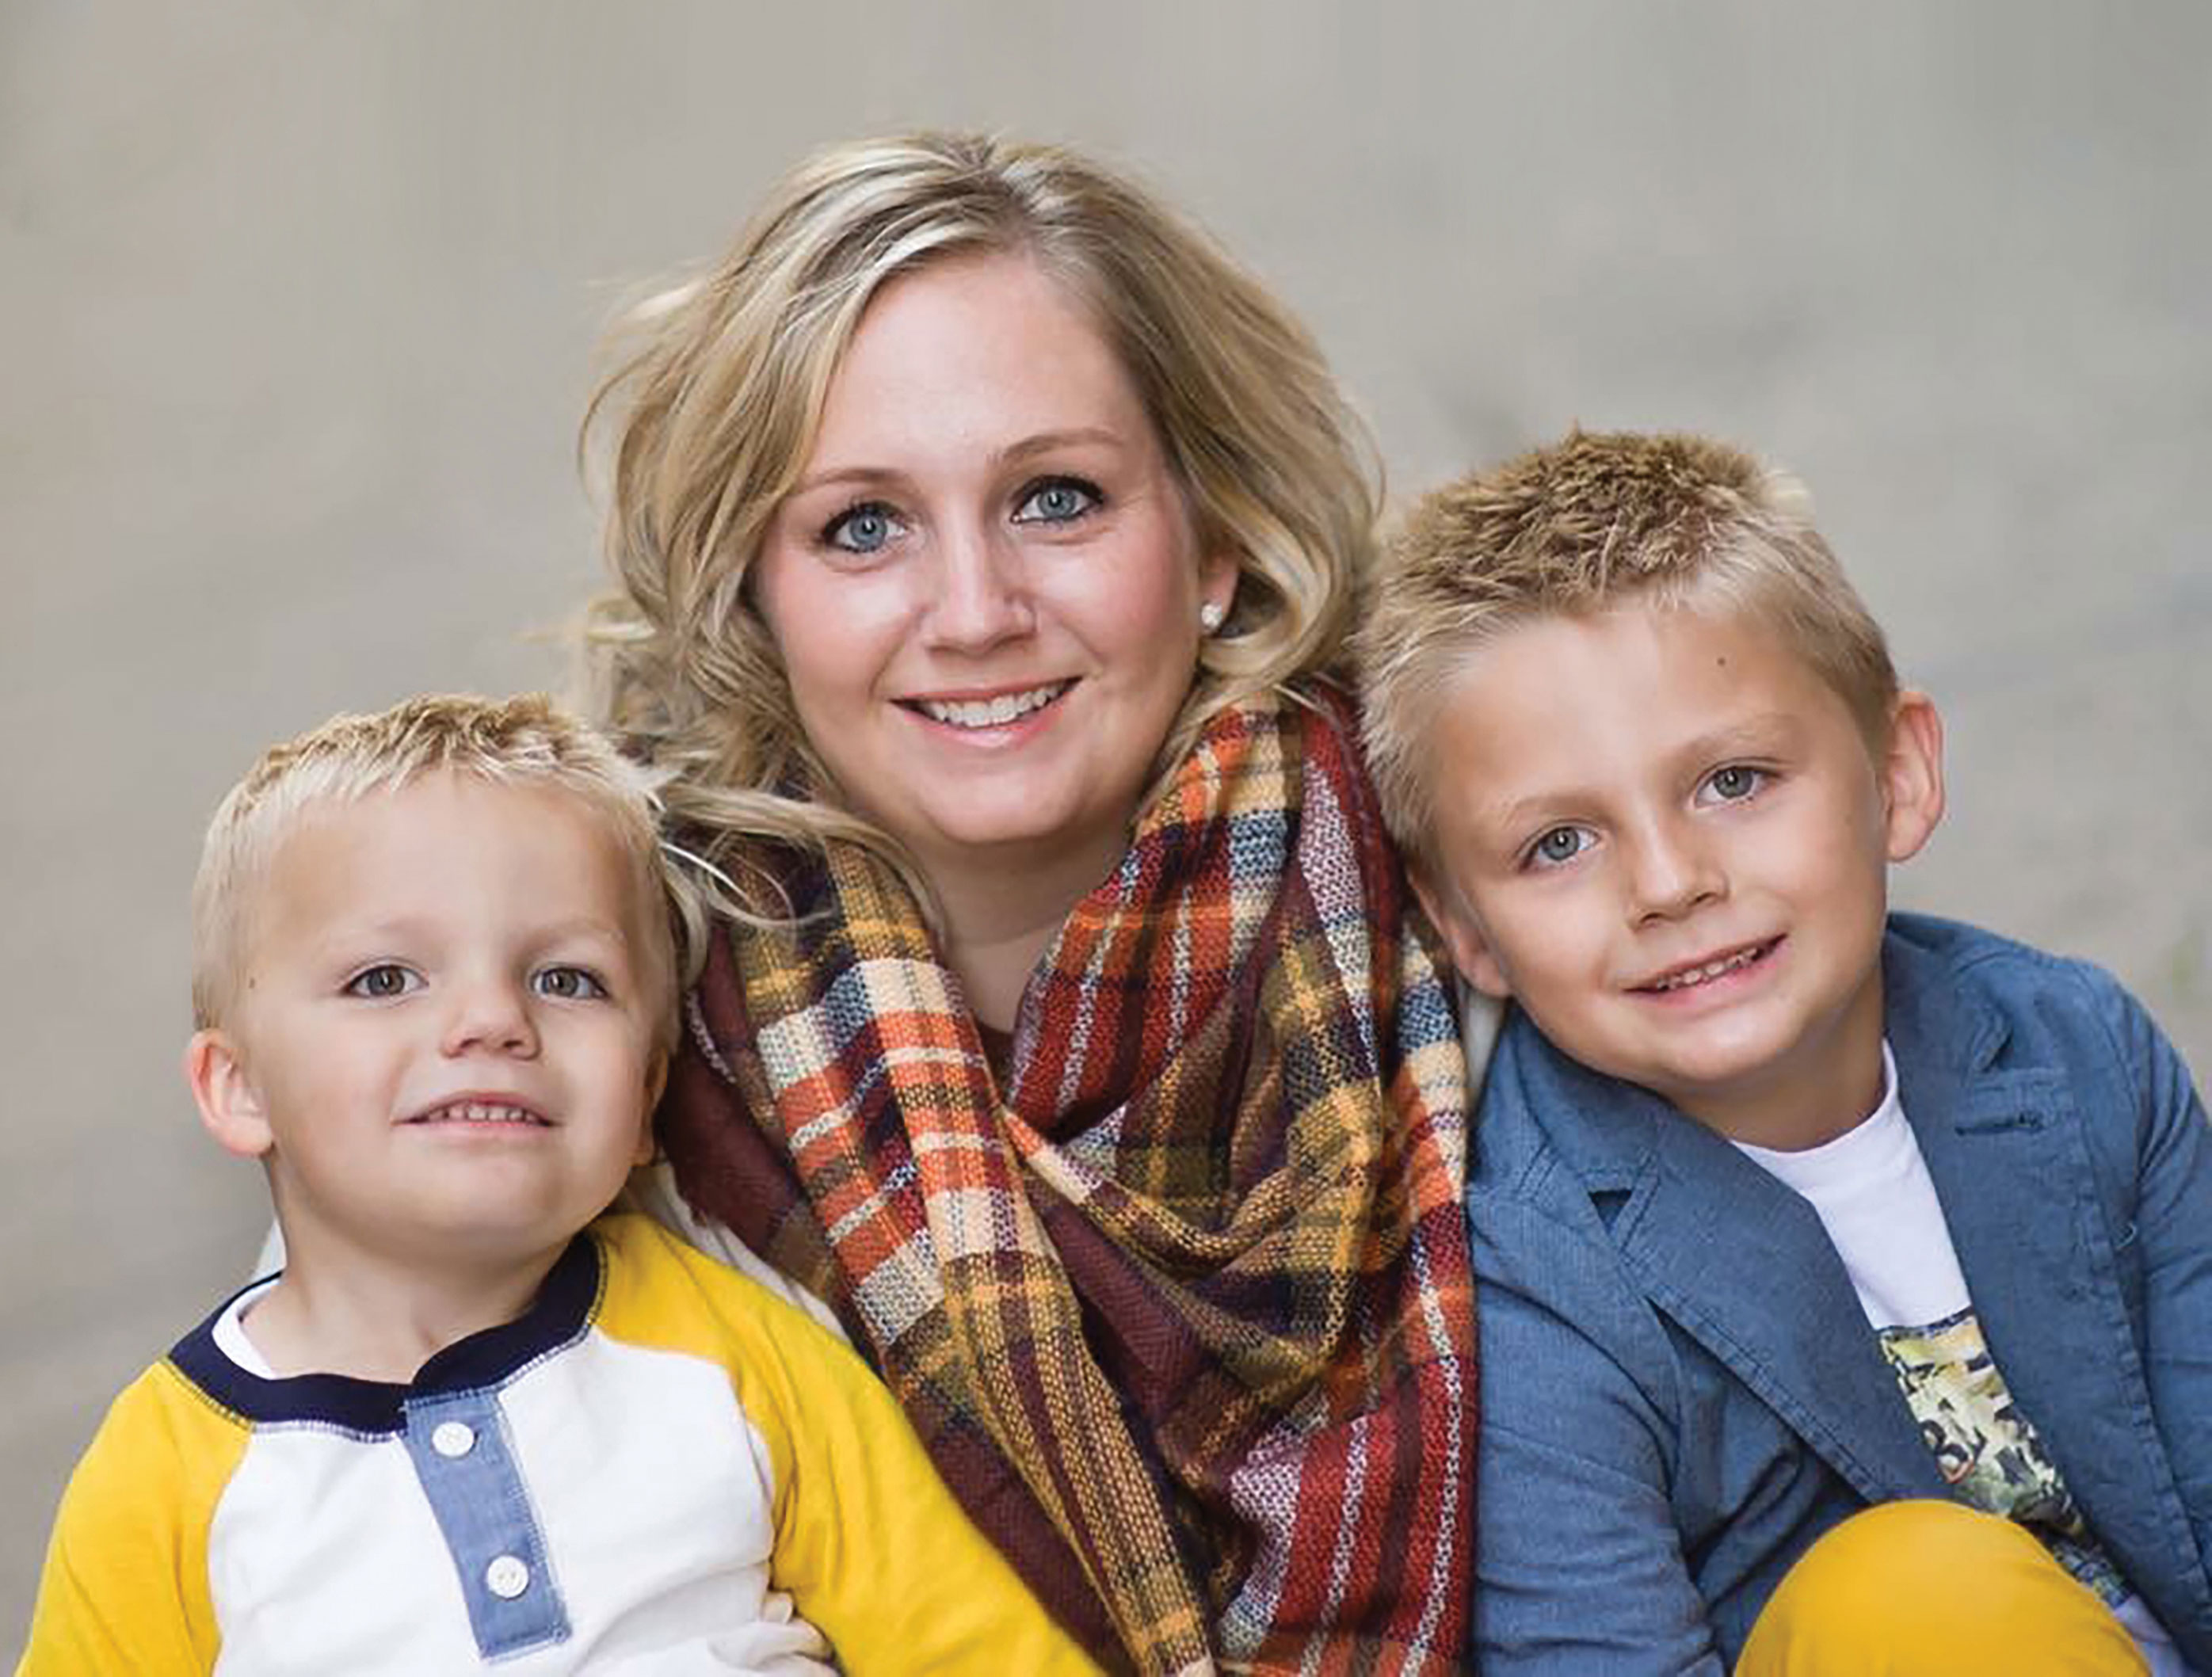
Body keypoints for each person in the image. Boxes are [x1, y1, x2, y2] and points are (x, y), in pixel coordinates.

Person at [583, 132, 1477, 1675]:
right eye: (861, 526)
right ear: (755, 592)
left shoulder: (1489, 874)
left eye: (1056, 498)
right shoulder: (597, 1038)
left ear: (1210, 541)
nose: (978, 612)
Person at [1356, 429, 2212, 1674]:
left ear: (1899, 771)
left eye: (1734, 780)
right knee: (1919, 1595)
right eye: (1559, 844)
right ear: (1465, 930)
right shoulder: (1531, 1287)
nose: (1668, 881)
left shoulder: (2075, 1050)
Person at [16, 693, 1096, 1676]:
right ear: (240, 1086)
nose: (492, 1020)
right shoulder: (161, 1479)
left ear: (644, 1093)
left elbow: (973, 1646)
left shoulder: (736, 1347)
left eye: (565, 978)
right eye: (384, 978)